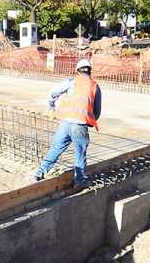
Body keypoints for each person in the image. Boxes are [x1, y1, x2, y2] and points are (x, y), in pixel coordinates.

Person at [31, 59, 102, 187]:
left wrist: (51, 108)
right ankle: (79, 181)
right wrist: (89, 120)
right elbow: (97, 111)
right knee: (80, 153)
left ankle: (39, 172)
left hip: (65, 123)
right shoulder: (95, 86)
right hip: (80, 125)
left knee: (56, 148)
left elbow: (53, 93)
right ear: (89, 71)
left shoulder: (71, 82)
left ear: (77, 71)